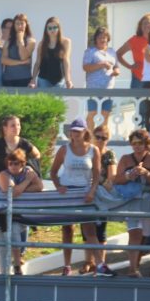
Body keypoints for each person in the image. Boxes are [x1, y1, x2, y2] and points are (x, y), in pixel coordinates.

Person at [50, 118, 106, 277]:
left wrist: (92, 191)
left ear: (85, 132)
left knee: (90, 230)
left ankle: (100, 264)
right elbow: (53, 171)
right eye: (73, 130)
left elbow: (96, 174)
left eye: (78, 130)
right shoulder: (64, 149)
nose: (75, 133)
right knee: (68, 229)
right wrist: (58, 186)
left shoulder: (93, 150)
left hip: (85, 192)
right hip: (68, 192)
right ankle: (67, 265)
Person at [114, 128, 150, 278]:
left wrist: (146, 173)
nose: (137, 146)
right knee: (134, 234)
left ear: (145, 143)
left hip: (148, 201)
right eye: (134, 143)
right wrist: (130, 175)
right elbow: (117, 180)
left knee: (144, 237)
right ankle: (133, 270)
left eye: (140, 142)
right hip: (132, 201)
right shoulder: (125, 159)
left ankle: (135, 264)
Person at [0, 151, 44, 275]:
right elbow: (12, 192)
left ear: (22, 164)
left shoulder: (29, 171)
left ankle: (17, 261)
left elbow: (39, 187)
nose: (12, 166)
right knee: (12, 234)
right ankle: (15, 266)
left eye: (16, 163)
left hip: (23, 212)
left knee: (20, 236)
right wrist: (28, 181)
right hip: (4, 214)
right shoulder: (4, 174)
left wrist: (22, 188)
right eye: (10, 163)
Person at [82, 124, 118, 276]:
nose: (101, 140)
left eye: (104, 138)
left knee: (100, 231)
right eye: (98, 137)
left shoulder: (109, 155)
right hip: (86, 194)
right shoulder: (86, 153)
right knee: (86, 230)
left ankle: (101, 263)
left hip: (101, 195)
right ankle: (89, 262)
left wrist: (99, 187)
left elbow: (112, 178)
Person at [0, 115, 42, 184]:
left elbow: (37, 155)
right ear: (5, 128)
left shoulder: (24, 143)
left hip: (23, 179)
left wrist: (28, 166)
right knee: (11, 190)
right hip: (5, 179)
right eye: (13, 125)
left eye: (18, 125)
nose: (17, 128)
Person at [82, 26, 120, 131]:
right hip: (93, 88)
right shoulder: (90, 51)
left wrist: (116, 71)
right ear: (96, 39)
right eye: (100, 37)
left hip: (108, 89)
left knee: (106, 114)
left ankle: (101, 138)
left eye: (105, 37)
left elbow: (116, 66)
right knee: (92, 113)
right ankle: (88, 137)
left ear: (108, 38)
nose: (103, 39)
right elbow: (86, 67)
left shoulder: (112, 51)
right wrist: (101, 64)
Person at [116, 13, 150, 89]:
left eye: (148, 23)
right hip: (138, 78)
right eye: (144, 23)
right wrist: (129, 66)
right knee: (137, 100)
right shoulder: (134, 40)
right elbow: (118, 54)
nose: (146, 25)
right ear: (140, 26)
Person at [29, 17, 73, 89]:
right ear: (46, 30)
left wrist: (68, 80)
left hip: (59, 80)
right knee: (44, 100)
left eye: (54, 27)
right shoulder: (41, 44)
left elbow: (66, 61)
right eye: (49, 28)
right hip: (43, 79)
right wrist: (33, 79)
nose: (52, 30)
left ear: (59, 28)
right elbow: (37, 63)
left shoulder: (66, 42)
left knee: (58, 100)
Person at [1, 13, 36, 87]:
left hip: (24, 78)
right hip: (8, 79)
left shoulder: (31, 41)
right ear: (14, 25)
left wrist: (20, 40)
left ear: (26, 25)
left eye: (22, 23)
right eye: (17, 24)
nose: (19, 26)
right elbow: (3, 60)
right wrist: (21, 62)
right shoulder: (9, 41)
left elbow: (23, 56)